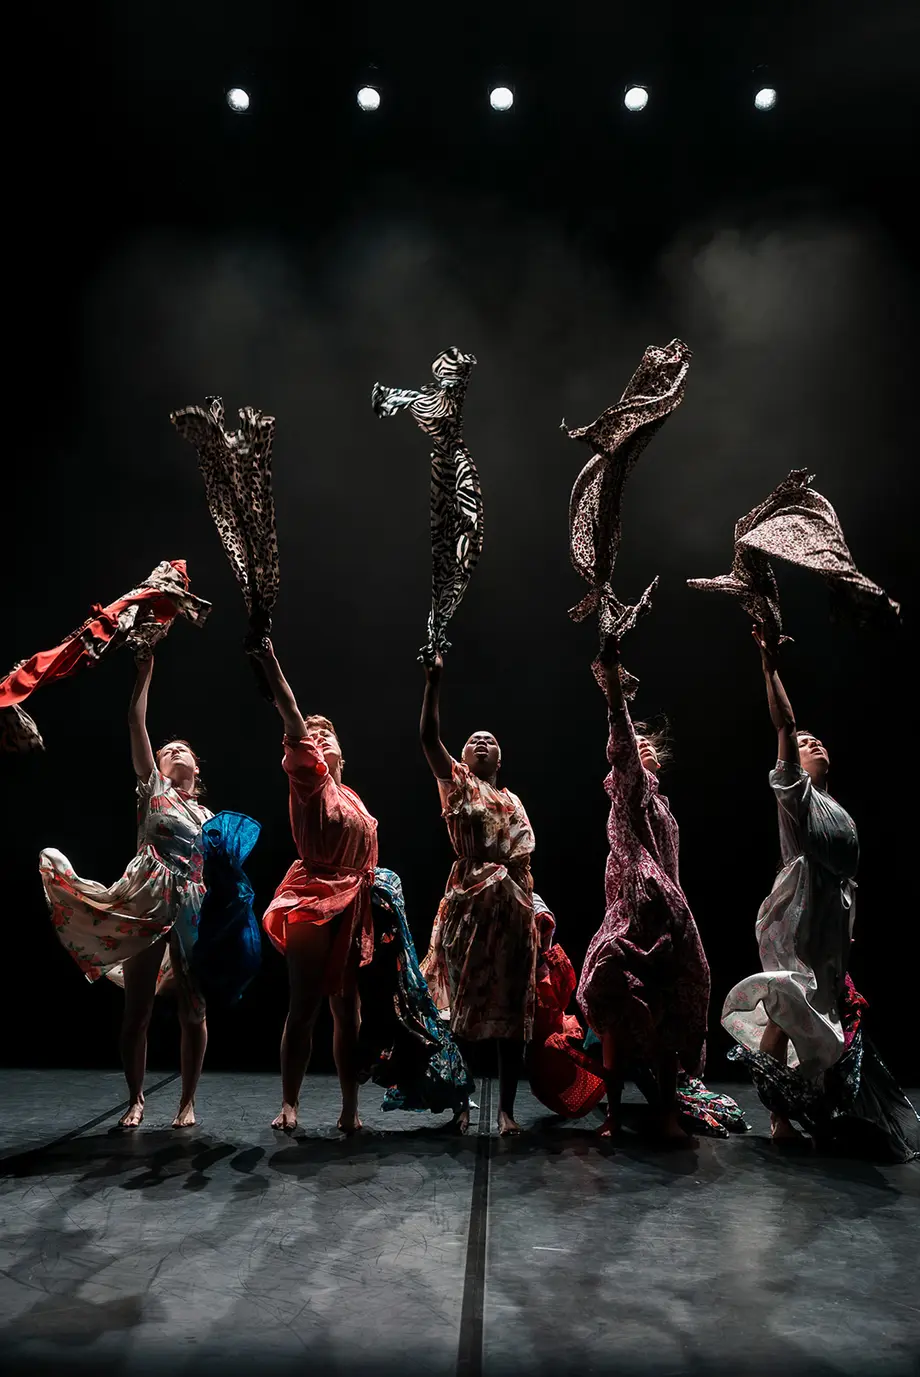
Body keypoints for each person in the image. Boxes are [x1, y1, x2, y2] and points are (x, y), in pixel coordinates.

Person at [721, 629, 920, 1159]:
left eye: (819, 742)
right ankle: (779, 1115)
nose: (816, 746)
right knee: (787, 1009)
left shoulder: (839, 810)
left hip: (830, 923)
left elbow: (846, 878)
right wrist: (770, 666)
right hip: (799, 915)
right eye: (806, 745)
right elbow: (785, 724)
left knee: (820, 1019)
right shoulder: (795, 795)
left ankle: (815, 1108)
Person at [40, 654, 212, 1128]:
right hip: (146, 903)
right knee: (137, 1011)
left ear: (197, 766)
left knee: (194, 1011)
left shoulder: (210, 818)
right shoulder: (153, 790)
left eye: (181, 749)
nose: (173, 751)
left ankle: (187, 1102)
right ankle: (136, 1098)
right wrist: (145, 672)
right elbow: (137, 722)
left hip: (191, 908)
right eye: (167, 749)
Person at [577, 635, 711, 1146]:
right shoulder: (629, 792)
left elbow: (670, 867)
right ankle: (613, 1113)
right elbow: (622, 743)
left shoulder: (665, 811)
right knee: (615, 1003)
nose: (643, 748)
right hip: (630, 914)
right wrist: (614, 689)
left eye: (650, 745)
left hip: (667, 916)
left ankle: (667, 1114)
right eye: (638, 744)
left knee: (671, 1009)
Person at [253, 639, 378, 1134]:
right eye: (314, 733)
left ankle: (350, 1108)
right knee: (304, 1005)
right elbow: (290, 714)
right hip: (313, 895)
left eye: (328, 733)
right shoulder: (311, 781)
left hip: (351, 902)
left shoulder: (354, 798)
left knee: (349, 1011)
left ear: (342, 749)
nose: (319, 736)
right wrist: (269, 660)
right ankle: (290, 1103)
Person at [419, 654, 538, 1136]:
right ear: (464, 758)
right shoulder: (457, 784)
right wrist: (433, 683)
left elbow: (525, 861)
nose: (482, 743)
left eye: (490, 741)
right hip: (468, 904)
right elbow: (429, 738)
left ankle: (506, 1111)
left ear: (500, 759)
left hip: (513, 911)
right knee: (464, 1010)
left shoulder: (512, 800)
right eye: (473, 741)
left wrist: (535, 908)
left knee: (511, 1012)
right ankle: (461, 1106)